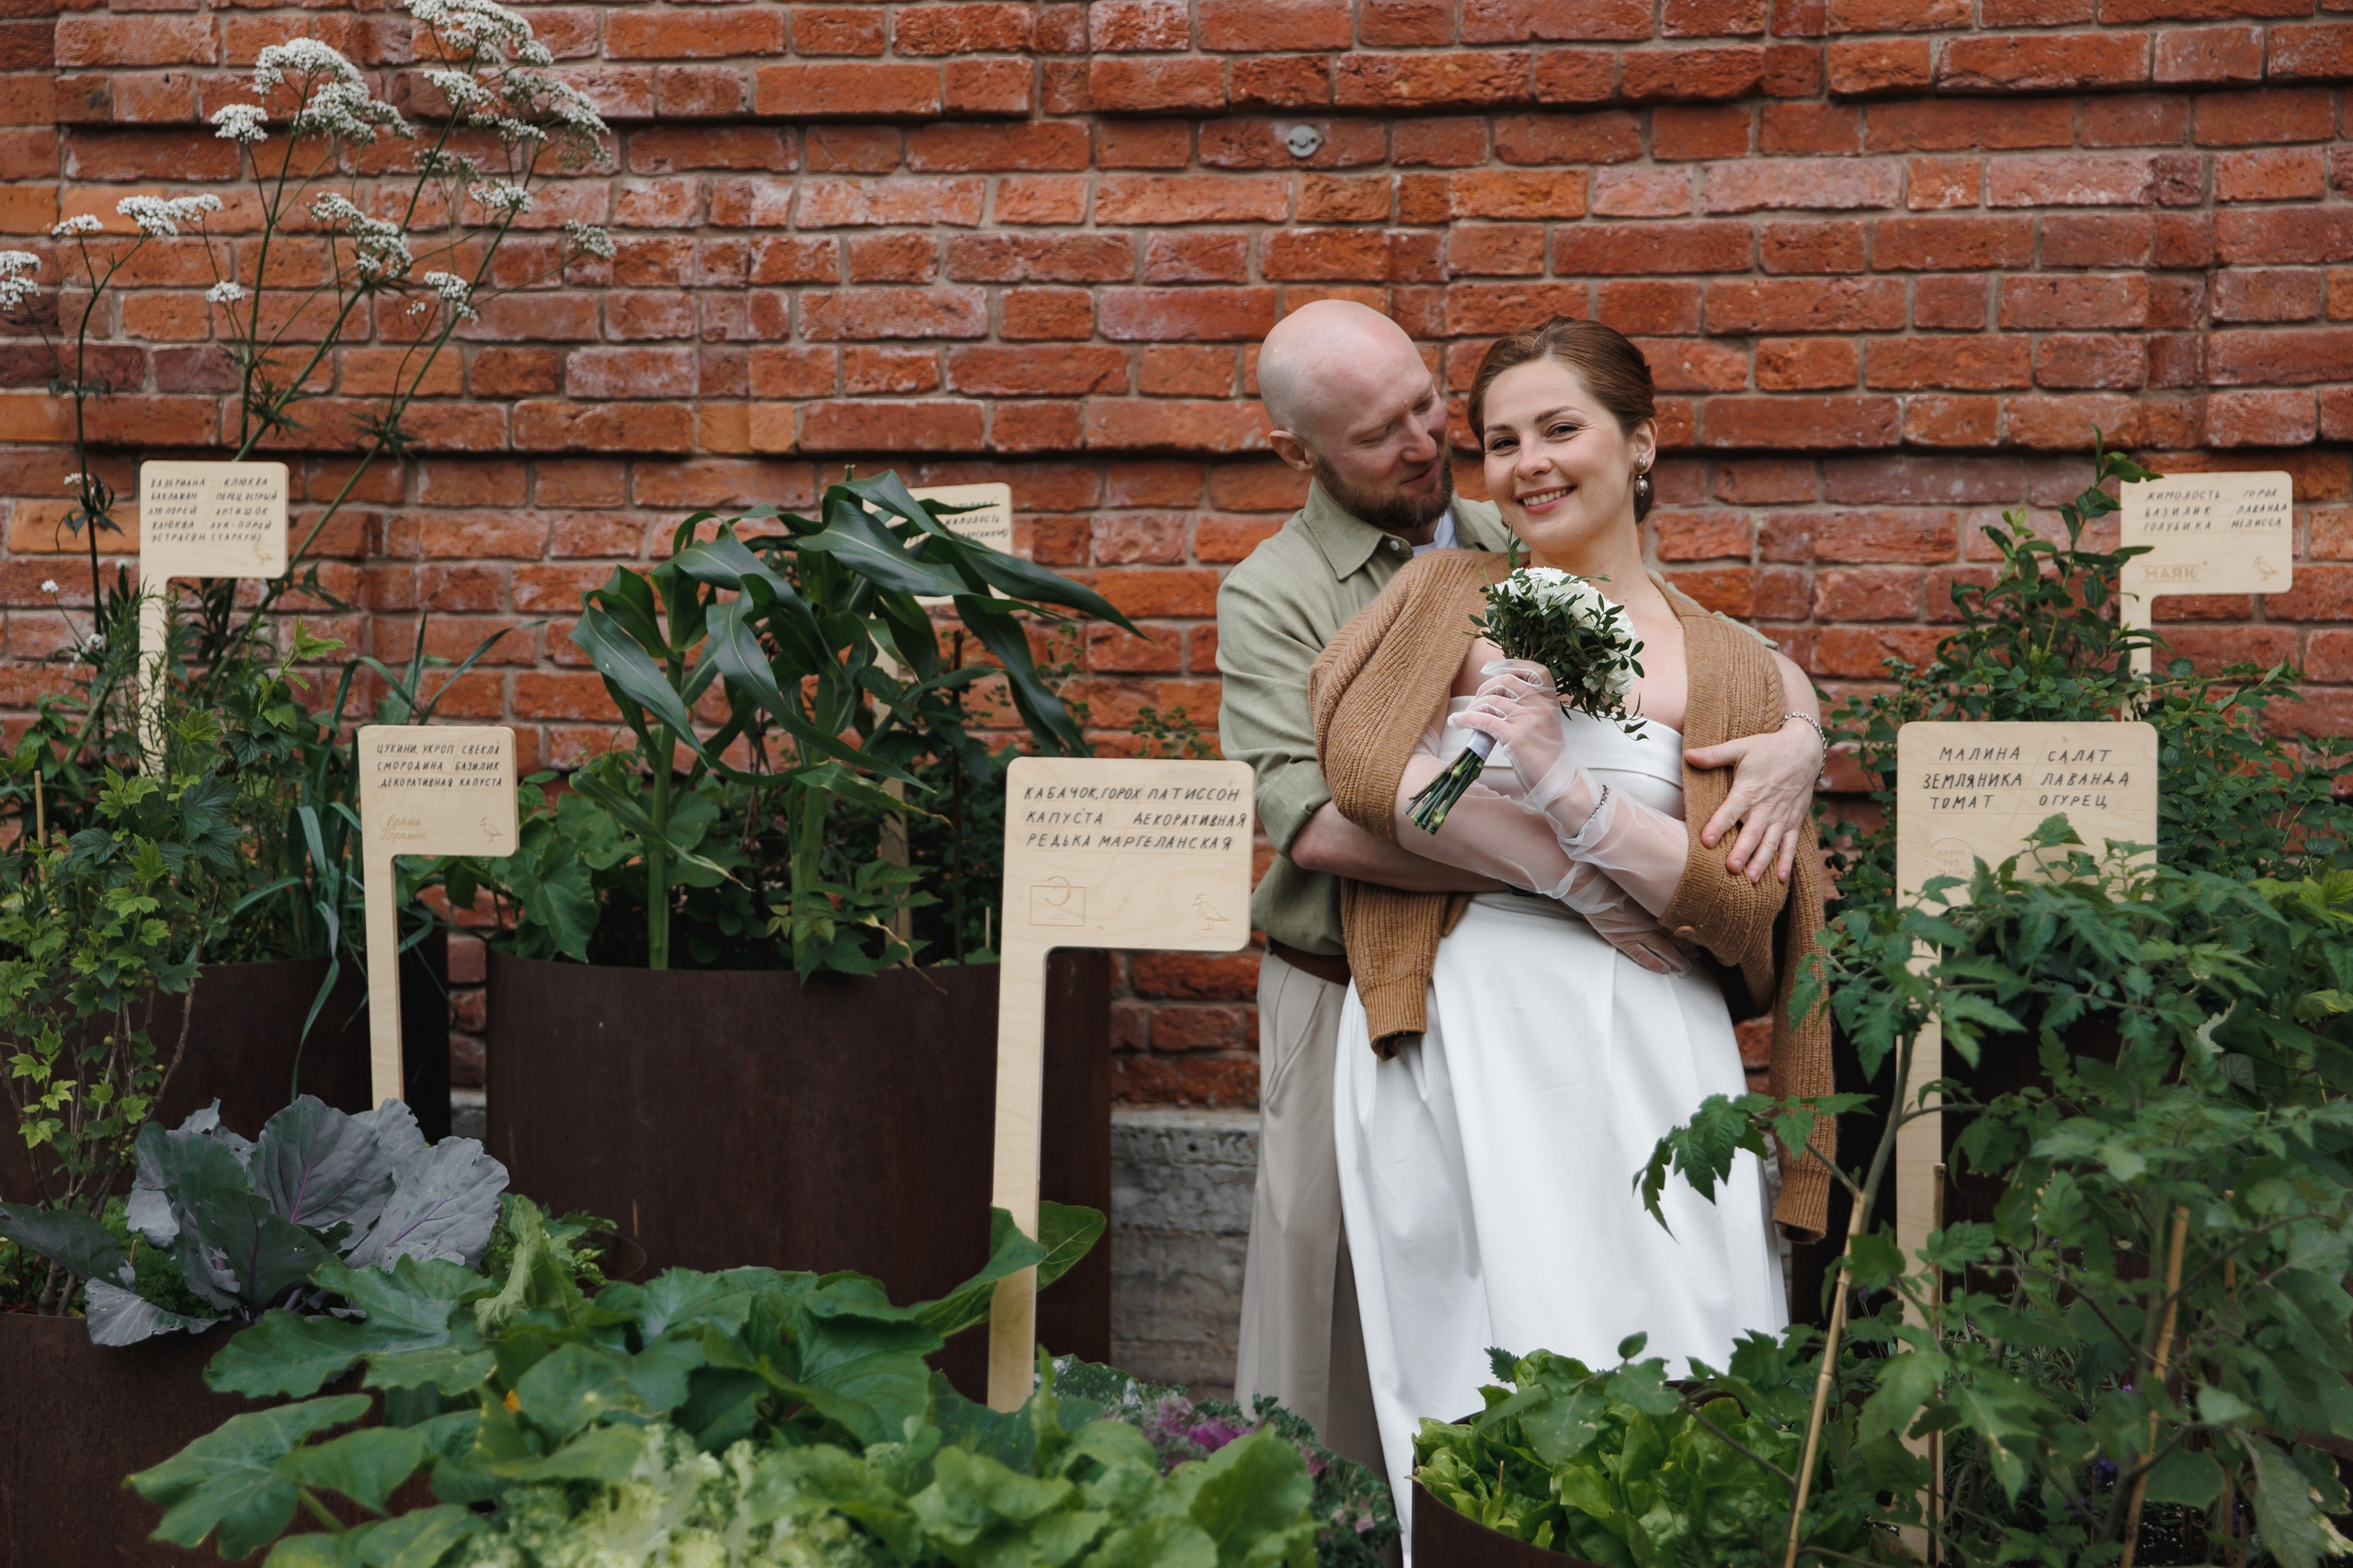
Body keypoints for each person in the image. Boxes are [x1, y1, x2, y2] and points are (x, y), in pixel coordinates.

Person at [1215, 301, 1828, 1473]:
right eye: (1503, 440)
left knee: (1678, 1324)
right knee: (1395, 1334)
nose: (1437, 449)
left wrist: (1798, 731)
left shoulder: (1553, 540)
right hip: (1400, 984)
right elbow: (1330, 806)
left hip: (1652, 1018)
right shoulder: (1389, 596)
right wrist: (1565, 861)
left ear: (1639, 442)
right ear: (1299, 452)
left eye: (1430, 414)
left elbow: (1717, 690)